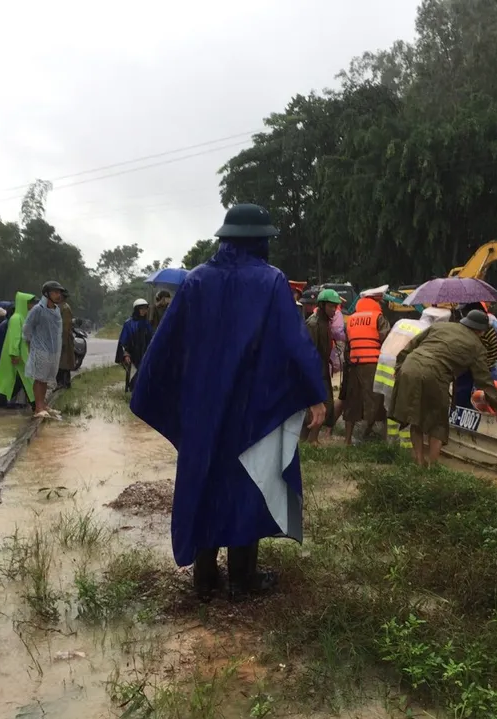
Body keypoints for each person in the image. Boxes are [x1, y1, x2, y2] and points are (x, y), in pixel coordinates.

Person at [129, 203, 327, 602]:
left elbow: (164, 348)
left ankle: (204, 579)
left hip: (203, 408)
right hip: (253, 408)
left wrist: (163, 397)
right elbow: (294, 342)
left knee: (205, 481)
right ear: (259, 241)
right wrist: (315, 395)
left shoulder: (196, 281)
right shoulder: (271, 280)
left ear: (224, 239)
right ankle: (242, 577)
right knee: (249, 483)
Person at [390, 309, 497, 467]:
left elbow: (409, 346)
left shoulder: (440, 326)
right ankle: (433, 466)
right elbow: (483, 380)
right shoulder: (476, 346)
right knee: (438, 424)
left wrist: (399, 369)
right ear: (480, 331)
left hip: (409, 367)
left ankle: (419, 461)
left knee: (415, 418)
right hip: (434, 375)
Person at [342, 294, 390, 445]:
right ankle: (370, 437)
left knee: (352, 401)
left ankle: (347, 440)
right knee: (375, 400)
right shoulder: (378, 317)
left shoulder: (351, 319)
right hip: (372, 364)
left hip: (354, 364)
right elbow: (386, 338)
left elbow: (347, 343)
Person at [304, 288, 343, 444]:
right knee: (317, 407)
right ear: (322, 305)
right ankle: (309, 441)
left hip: (323, 371)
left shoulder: (325, 322)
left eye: (335, 306)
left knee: (327, 406)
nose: (334, 310)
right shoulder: (313, 324)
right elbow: (309, 352)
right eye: (331, 306)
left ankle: (311, 440)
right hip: (315, 372)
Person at [22, 281, 66, 418]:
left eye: (59, 292)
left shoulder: (56, 310)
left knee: (45, 378)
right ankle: (38, 407)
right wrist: (31, 344)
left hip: (52, 350)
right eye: (55, 292)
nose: (58, 295)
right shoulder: (38, 309)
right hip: (39, 348)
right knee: (39, 379)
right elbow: (27, 328)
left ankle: (44, 405)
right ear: (47, 294)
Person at [0, 293, 37, 409]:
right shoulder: (16, 318)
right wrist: (14, 354)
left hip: (22, 355)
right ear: (24, 303)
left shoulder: (23, 317)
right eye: (30, 303)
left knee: (16, 382)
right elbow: (14, 338)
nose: (32, 305)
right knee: (25, 381)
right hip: (17, 356)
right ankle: (36, 406)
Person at [116, 299, 153, 392]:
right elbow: (123, 341)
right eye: (142, 308)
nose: (144, 311)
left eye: (145, 308)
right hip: (132, 355)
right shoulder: (128, 324)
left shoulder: (147, 323)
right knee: (133, 376)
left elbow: (151, 339)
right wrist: (126, 355)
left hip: (145, 354)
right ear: (136, 309)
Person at [57, 296, 76, 389]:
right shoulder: (60, 307)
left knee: (64, 363)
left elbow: (65, 326)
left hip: (64, 339)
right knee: (62, 363)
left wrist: (63, 341)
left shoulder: (64, 308)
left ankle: (63, 384)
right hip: (61, 338)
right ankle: (63, 383)